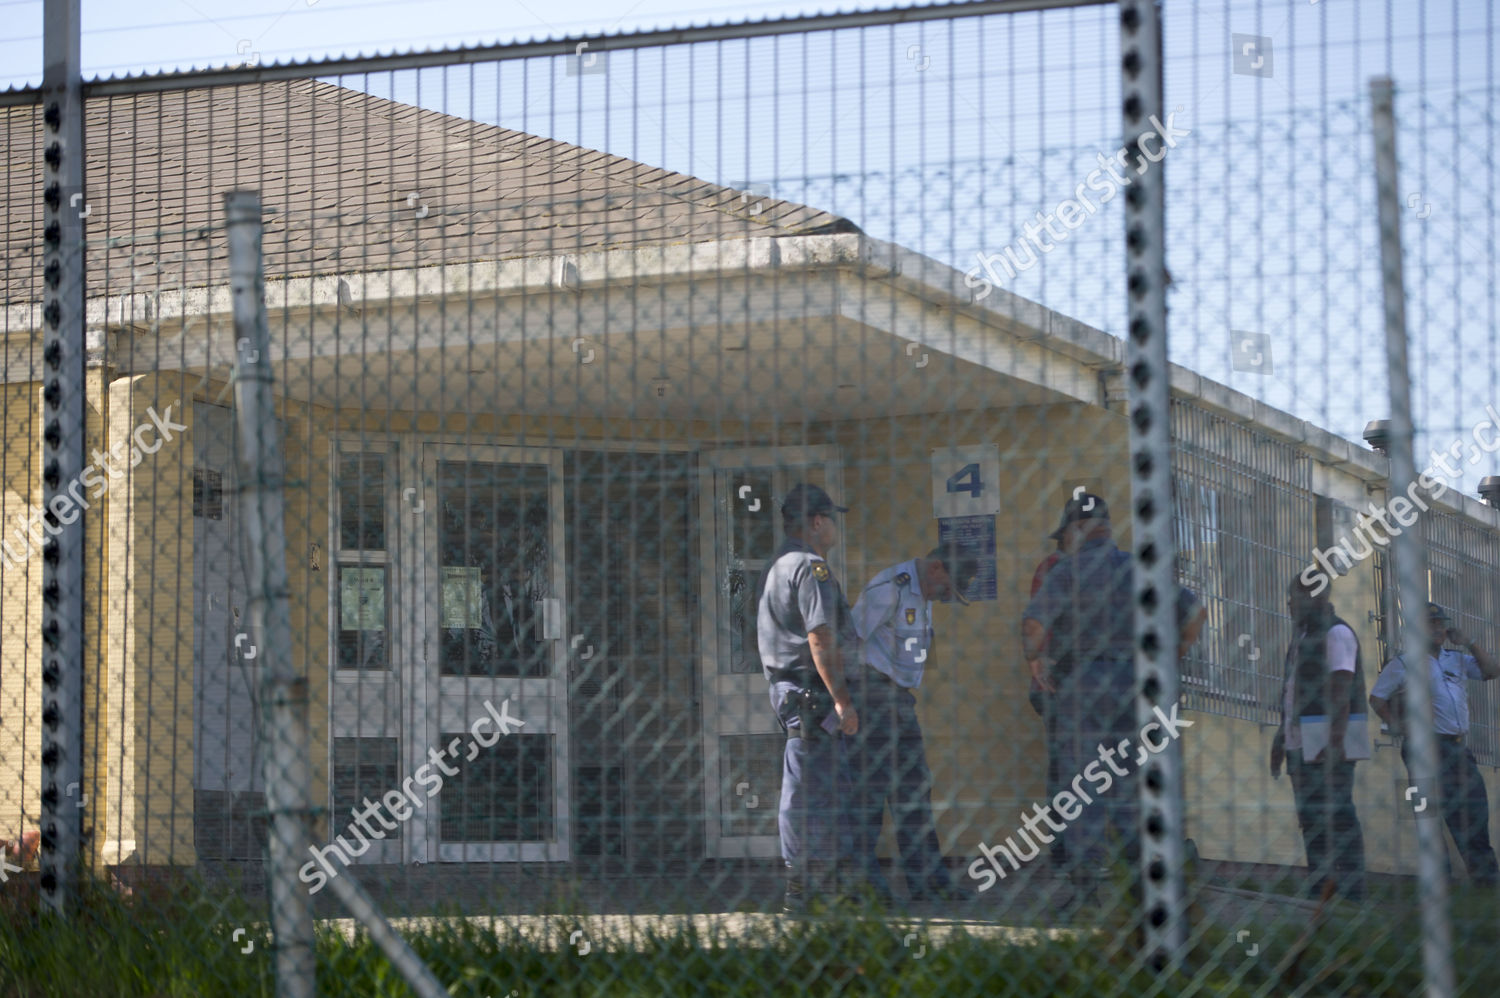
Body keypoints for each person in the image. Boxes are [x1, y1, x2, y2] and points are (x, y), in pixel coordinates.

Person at [1022, 493, 1206, 903]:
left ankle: (1087, 885)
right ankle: (1139, 880)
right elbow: (1195, 614)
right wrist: (1168, 662)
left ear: (1075, 531)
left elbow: (1034, 627)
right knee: (1129, 779)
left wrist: (1035, 661)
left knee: (1082, 784)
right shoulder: (1140, 569)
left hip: (1082, 688)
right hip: (1135, 687)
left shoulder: (1066, 572)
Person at [846, 545, 979, 904]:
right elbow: (849, 640)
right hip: (873, 698)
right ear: (937, 567)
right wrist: (848, 701)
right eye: (949, 587)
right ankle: (866, 887)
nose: (948, 596)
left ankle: (928, 881)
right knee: (870, 795)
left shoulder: (923, 593)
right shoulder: (891, 587)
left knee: (915, 792)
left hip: (900, 702)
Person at [756, 482, 861, 912]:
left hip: (794, 690)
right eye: (832, 518)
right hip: (810, 692)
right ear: (817, 521)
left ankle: (821, 883)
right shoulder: (810, 566)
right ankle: (804, 887)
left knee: (821, 784)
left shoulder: (779, 563)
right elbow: (819, 637)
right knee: (810, 788)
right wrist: (842, 698)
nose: (835, 527)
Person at [1369, 602, 1499, 886]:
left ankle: (1486, 880)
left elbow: (1492, 671)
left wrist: (1470, 642)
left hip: (1456, 747)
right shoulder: (1402, 663)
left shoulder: (1456, 659)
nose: (1438, 628)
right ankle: (1439, 881)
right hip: (1421, 749)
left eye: (1441, 623)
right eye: (1431, 624)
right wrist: (1397, 725)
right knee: (1427, 814)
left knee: (1473, 807)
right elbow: (1377, 698)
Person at [1269, 575, 1368, 902]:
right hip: (1301, 741)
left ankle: (1353, 894)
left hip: (1328, 743)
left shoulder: (1337, 632)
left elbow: (1342, 687)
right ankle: (1320, 890)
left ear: (1316, 598)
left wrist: (1335, 741)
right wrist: (1281, 737)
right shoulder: (1302, 638)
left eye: (1294, 599)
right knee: (1311, 820)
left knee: (1338, 815)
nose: (1289, 606)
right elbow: (1291, 692)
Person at [1026, 528, 1077, 873]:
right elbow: (1037, 624)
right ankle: (1067, 852)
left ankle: (1068, 851)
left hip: (1065, 681)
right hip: (1061, 682)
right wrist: (1042, 665)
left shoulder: (1061, 568)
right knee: (1069, 770)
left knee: (1068, 768)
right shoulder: (1058, 568)